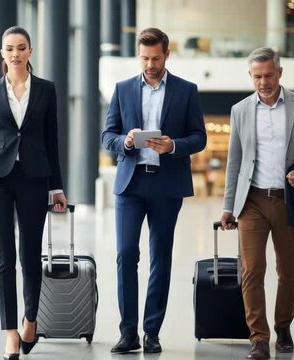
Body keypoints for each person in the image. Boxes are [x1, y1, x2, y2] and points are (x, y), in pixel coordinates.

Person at [219, 47, 294, 360]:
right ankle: (258, 337)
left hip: (288, 200)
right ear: (250, 76)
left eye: (269, 75)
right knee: (251, 270)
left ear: (280, 73)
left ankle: (283, 325)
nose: (263, 82)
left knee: (289, 269)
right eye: (257, 76)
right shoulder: (240, 110)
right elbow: (235, 161)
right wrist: (228, 206)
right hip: (252, 200)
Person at [102, 28, 206, 354]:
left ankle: (152, 333)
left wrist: (173, 145)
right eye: (145, 58)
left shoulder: (186, 91)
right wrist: (127, 141)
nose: (150, 64)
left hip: (166, 185)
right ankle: (128, 332)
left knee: (161, 258)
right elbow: (107, 137)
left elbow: (199, 137)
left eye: (155, 58)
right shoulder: (122, 90)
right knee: (125, 255)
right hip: (130, 185)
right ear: (138, 55)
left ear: (167, 55)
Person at [0, 26, 67, 360]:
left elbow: (52, 142)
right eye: (9, 48)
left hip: (34, 177)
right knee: (3, 258)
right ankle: (10, 332)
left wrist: (57, 186)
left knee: (29, 255)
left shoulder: (46, 90)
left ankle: (30, 318)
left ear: (30, 51)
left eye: (21, 48)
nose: (15, 54)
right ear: (2, 53)